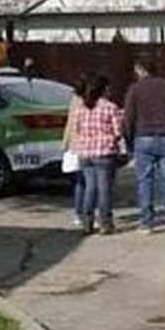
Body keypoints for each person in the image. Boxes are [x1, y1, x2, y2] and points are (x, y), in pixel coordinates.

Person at [123, 61, 165, 234]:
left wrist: (129, 142)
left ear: (139, 70)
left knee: (145, 180)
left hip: (142, 137)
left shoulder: (134, 89)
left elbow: (128, 118)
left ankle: (147, 223)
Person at [72, 75, 123, 236]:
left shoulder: (81, 108)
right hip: (104, 152)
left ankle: (87, 221)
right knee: (104, 189)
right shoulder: (110, 107)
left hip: (85, 153)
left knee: (90, 187)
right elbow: (118, 132)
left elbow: (78, 130)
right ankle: (105, 223)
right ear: (103, 89)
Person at [61, 76, 91, 229]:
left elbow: (69, 124)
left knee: (80, 182)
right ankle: (88, 213)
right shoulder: (87, 103)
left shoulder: (73, 101)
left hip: (74, 146)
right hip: (86, 146)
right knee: (90, 182)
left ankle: (78, 214)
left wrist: (65, 144)